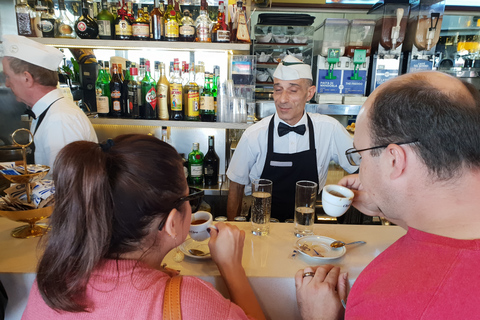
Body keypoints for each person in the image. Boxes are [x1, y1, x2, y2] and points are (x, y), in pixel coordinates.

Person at [295, 71, 480, 320]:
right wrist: (387, 207)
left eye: (361, 155)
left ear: (395, 160)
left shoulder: (390, 300)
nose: (361, 168)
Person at [22, 134, 266, 320]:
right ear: (171, 223)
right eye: (188, 198)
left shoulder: (49, 285)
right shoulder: (190, 302)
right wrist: (232, 267)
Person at [227, 55, 357, 221]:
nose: (282, 99)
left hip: (306, 226)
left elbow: (361, 165)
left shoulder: (329, 129)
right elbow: (236, 186)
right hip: (262, 227)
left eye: (293, 90)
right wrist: (232, 229)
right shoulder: (254, 134)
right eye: (278, 89)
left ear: (309, 93)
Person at [2, 35, 97, 171]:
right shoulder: (49, 112)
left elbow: (64, 185)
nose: (7, 83)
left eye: (8, 76)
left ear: (27, 78)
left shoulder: (59, 121)